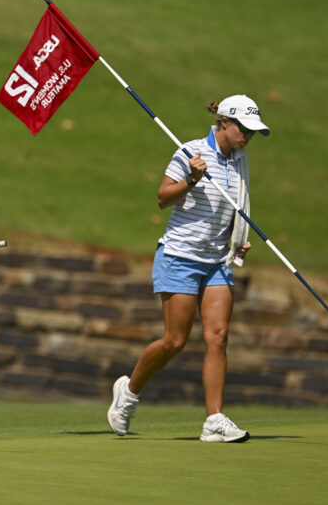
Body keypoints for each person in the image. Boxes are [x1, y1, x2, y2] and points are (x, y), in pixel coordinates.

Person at [107, 94, 269, 443]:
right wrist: (193, 179)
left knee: (218, 336)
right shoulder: (190, 152)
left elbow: (233, 206)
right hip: (179, 256)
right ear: (224, 122)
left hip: (215, 261)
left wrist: (237, 237)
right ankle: (129, 392)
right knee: (175, 340)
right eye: (244, 129)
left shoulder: (240, 160)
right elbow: (163, 197)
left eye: (253, 132)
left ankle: (214, 420)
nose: (248, 137)